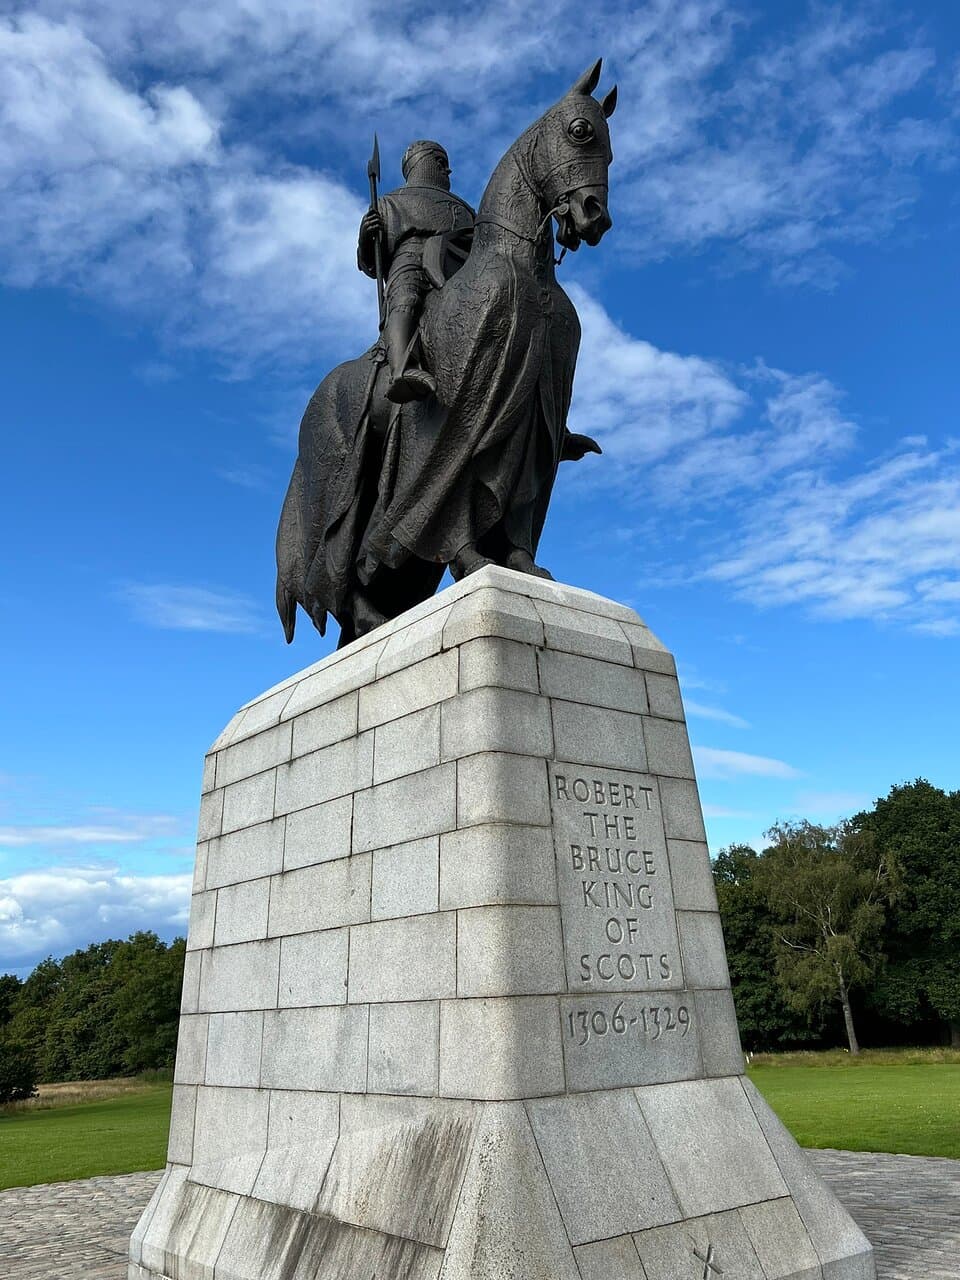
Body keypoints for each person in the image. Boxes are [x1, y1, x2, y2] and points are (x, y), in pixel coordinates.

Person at [357, 140, 474, 403]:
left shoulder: (465, 210)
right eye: (440, 163)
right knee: (405, 297)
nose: (447, 171)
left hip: (460, 266)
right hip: (410, 259)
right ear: (424, 164)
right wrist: (367, 234)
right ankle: (401, 368)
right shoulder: (391, 202)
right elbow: (371, 264)